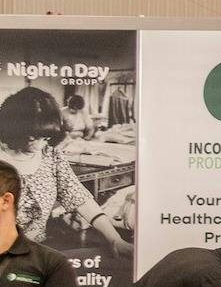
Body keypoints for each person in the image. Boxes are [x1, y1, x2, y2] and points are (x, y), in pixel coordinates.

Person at [0, 87, 126, 256]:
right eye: (32, 138)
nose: (39, 146)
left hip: (34, 251)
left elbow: (80, 199)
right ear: (14, 129)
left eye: (46, 138)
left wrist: (115, 240)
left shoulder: (51, 156)